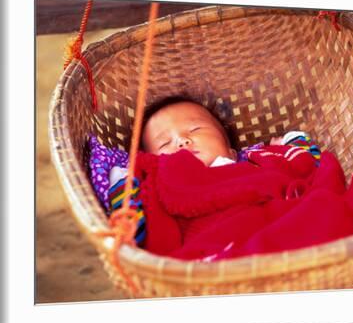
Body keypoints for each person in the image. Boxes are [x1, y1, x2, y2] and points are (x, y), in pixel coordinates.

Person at [107, 95, 329, 255]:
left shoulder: (255, 163)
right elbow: (132, 229)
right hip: (209, 257)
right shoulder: (157, 186)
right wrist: (123, 182)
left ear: (232, 151)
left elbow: (308, 167)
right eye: (165, 142)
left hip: (281, 235)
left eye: (196, 130)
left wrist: (289, 143)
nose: (182, 141)